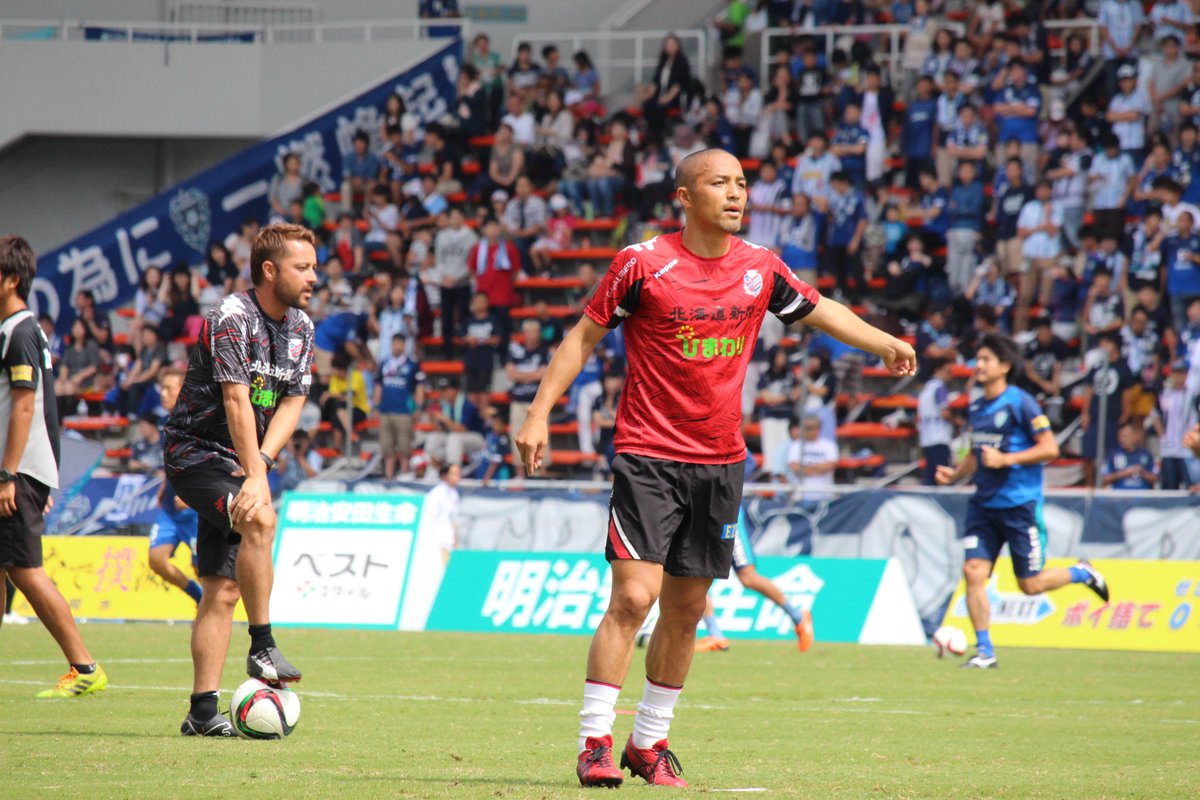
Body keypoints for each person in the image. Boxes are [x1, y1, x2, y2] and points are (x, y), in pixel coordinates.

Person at [513, 148, 916, 788]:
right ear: (683, 195)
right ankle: (594, 740)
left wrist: (885, 339)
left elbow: (822, 310)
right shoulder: (642, 264)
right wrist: (538, 414)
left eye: (742, 184)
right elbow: (582, 337)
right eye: (719, 183)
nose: (736, 194)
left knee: (687, 609)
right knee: (633, 598)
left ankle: (648, 745)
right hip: (648, 453)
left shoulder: (761, 268)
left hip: (721, 463)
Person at [164, 223, 317, 736]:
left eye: (314, 266)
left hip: (242, 459)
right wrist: (255, 478)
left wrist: (262, 465)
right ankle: (262, 646)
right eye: (304, 267)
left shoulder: (302, 327)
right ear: (270, 270)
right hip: (195, 455)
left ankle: (202, 713)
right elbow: (234, 400)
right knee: (261, 518)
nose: (314, 276)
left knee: (222, 589)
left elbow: (293, 401)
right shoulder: (231, 316)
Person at [936, 334, 1109, 669]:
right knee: (973, 573)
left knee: (1030, 585)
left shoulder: (1021, 402)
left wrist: (1007, 460)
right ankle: (985, 652)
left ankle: (1082, 573)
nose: (979, 365)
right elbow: (977, 453)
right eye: (978, 359)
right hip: (983, 505)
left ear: (1005, 366)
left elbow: (1050, 448)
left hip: (1019, 505)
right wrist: (956, 476)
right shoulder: (976, 406)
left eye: (986, 359)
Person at [0, 235, 107, 697]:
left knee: (25, 570)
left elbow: (26, 408)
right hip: (19, 470)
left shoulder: (21, 331)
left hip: (15, 472)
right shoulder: (17, 330)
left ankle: (84, 668)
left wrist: (9, 474)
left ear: (10, 279)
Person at [692, 504, 815, 654]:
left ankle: (798, 616)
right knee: (694, 574)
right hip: (700, 514)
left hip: (726, 514)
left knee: (748, 577)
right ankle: (715, 635)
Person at [146, 369, 202, 606]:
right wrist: (164, 486)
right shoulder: (168, 424)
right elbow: (173, 462)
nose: (163, 394)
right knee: (156, 560)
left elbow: (204, 465)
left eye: (169, 388)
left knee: (203, 569)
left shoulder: (195, 424)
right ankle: (198, 597)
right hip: (171, 509)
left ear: (183, 390)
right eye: (162, 388)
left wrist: (194, 498)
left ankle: (210, 612)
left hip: (195, 512)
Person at [375, 333, 425, 480]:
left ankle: (404, 475)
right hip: (386, 409)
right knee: (387, 447)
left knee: (404, 447)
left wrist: (418, 408)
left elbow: (419, 388)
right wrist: (377, 406)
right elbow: (378, 385)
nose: (397, 347)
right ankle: (389, 476)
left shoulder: (412, 364)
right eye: (394, 343)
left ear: (404, 345)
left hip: (404, 410)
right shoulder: (384, 363)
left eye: (399, 344)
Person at [917, 358, 955, 485]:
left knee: (930, 477)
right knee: (943, 477)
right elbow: (944, 412)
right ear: (938, 370)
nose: (950, 375)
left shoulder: (926, 389)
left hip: (926, 438)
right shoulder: (939, 387)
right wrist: (957, 422)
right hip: (939, 437)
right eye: (948, 371)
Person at [787, 414, 840, 502]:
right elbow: (795, 468)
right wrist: (818, 468)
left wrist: (805, 468)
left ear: (818, 429)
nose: (804, 431)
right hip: (801, 496)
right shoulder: (795, 445)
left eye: (808, 428)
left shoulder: (830, 446)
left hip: (824, 496)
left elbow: (829, 466)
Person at [1103, 422, 1158, 489]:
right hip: (1121, 495)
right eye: (1120, 436)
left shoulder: (1146, 454)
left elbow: (1155, 478)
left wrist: (1142, 472)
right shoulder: (1113, 454)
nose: (1123, 439)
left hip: (1143, 495)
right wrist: (1124, 473)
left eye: (1126, 436)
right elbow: (1104, 479)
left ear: (1134, 436)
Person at [423, 464, 461, 564]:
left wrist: (456, 539)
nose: (457, 477)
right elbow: (430, 517)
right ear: (444, 476)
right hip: (439, 539)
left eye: (458, 474)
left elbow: (453, 519)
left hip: (450, 539)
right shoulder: (437, 493)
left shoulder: (454, 493)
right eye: (454, 474)